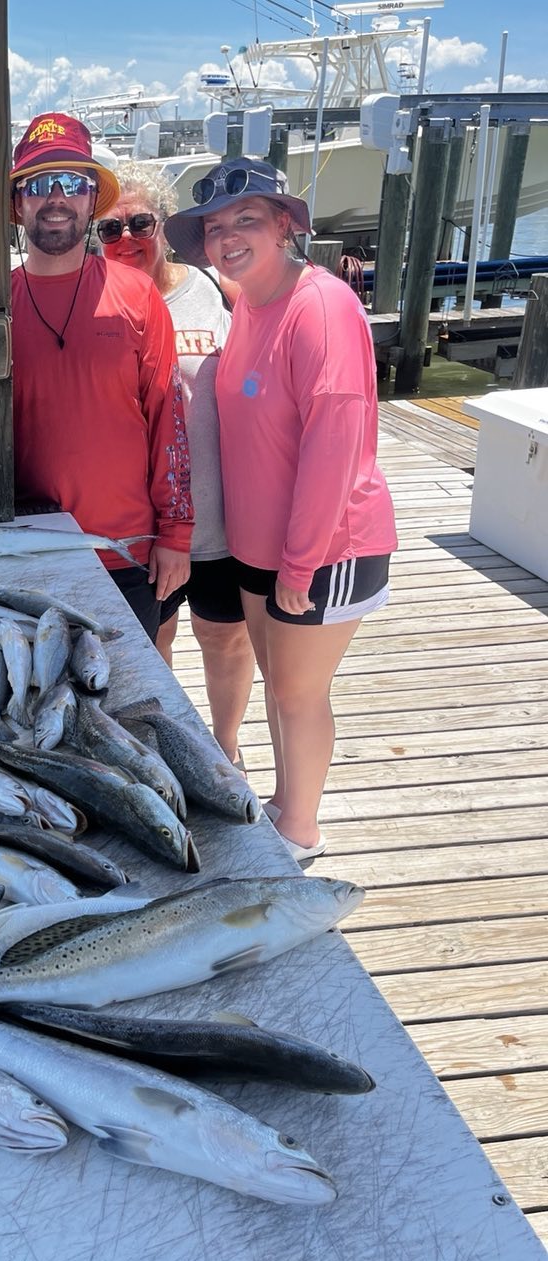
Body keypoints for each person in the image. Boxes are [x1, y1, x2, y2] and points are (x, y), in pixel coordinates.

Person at [165, 158, 397, 863]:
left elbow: (336, 441)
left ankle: (300, 828)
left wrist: (300, 563)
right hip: (257, 549)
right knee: (280, 686)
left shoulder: (321, 305)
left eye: (247, 220)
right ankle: (283, 804)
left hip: (326, 549)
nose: (228, 237)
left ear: (285, 226)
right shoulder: (247, 307)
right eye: (214, 228)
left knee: (298, 694)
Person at [0, 112, 192, 642]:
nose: (57, 198)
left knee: (124, 688)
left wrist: (176, 534)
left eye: (72, 182)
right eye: (39, 184)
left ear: (92, 200)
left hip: (124, 551)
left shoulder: (138, 295)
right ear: (18, 204)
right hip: (23, 551)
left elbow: (169, 420)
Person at [96, 163, 254, 767]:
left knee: (224, 637)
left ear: (163, 224)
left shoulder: (217, 291)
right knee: (153, 639)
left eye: (140, 223)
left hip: (220, 513)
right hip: (144, 524)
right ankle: (171, 752)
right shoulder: (95, 303)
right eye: (110, 229)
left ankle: (227, 751)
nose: (127, 239)